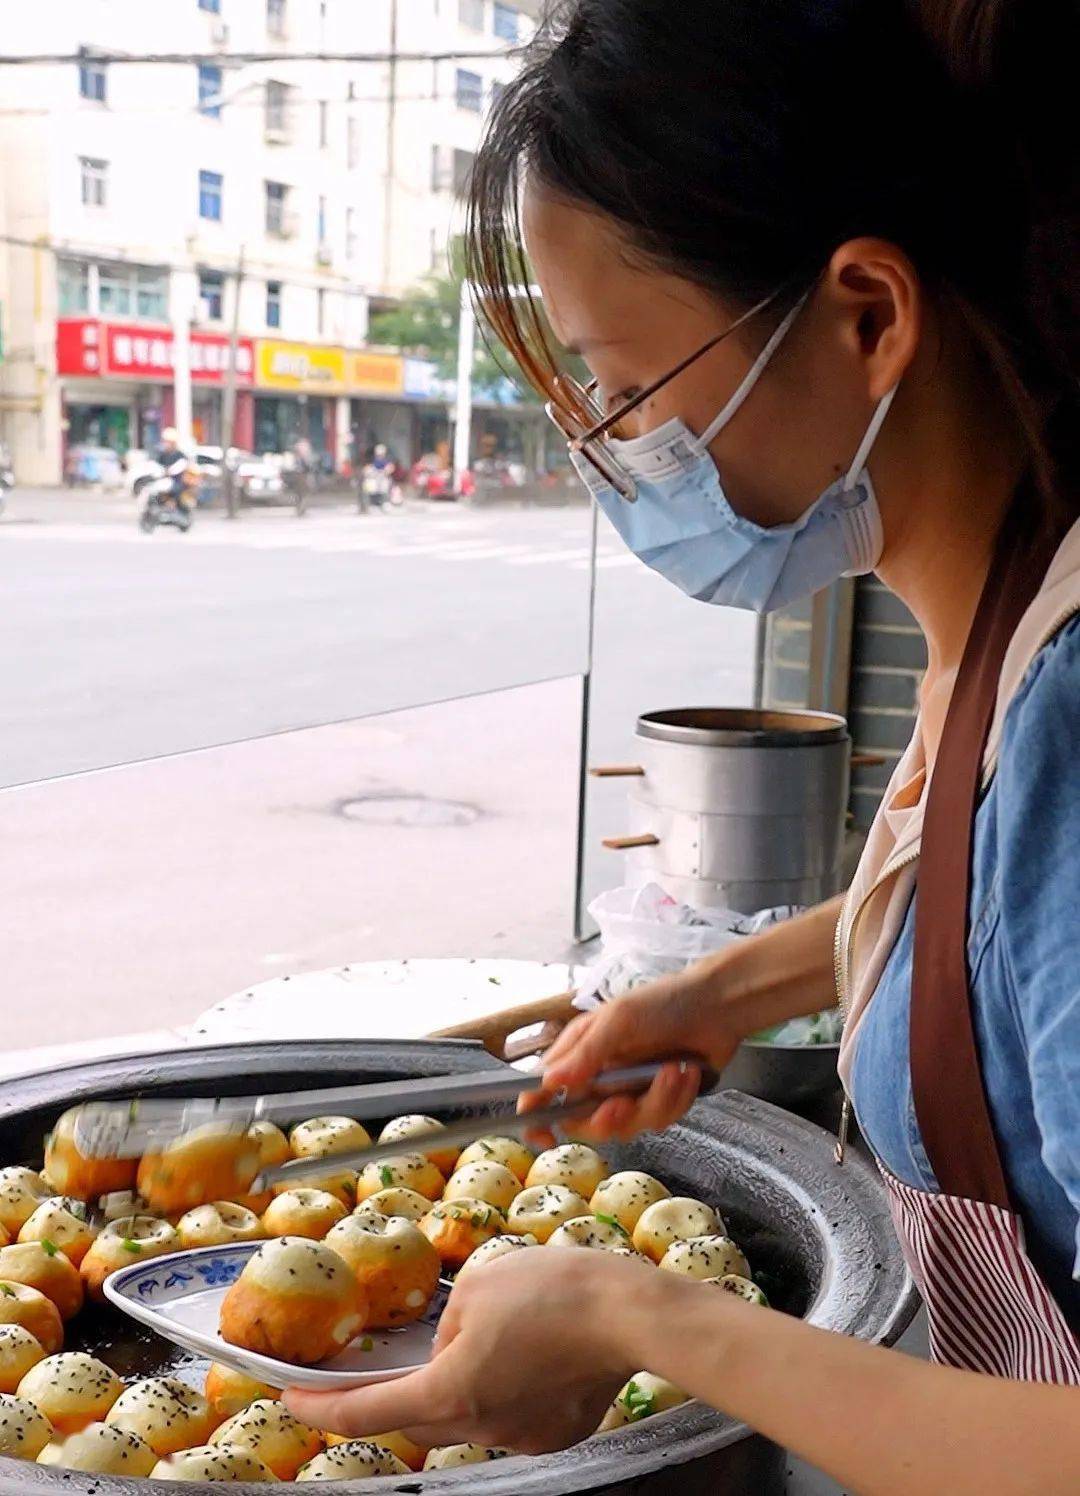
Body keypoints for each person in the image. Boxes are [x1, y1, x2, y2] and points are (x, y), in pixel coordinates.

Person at [285, 1, 1080, 1488]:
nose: (608, 449)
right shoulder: (1006, 614)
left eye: (626, 386)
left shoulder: (1074, 715)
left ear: (868, 316)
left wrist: (637, 1314)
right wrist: (723, 991)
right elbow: (1004, 927)